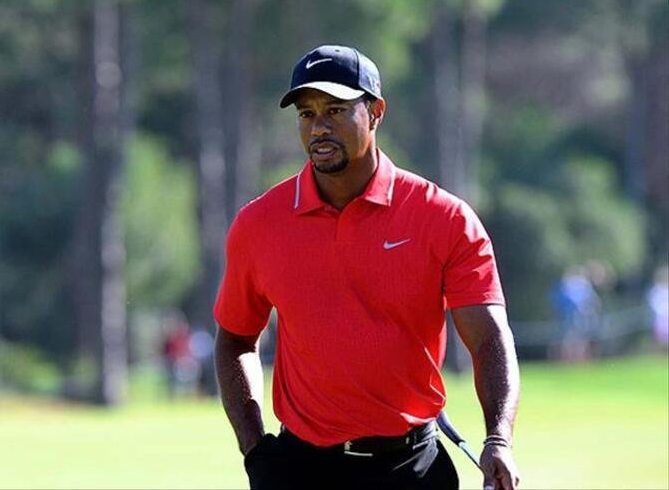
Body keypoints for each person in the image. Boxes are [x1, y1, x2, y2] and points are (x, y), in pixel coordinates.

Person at [214, 45, 520, 490]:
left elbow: (488, 338)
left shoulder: (444, 219)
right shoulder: (258, 224)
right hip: (300, 469)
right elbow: (235, 340)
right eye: (306, 114)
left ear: (376, 112)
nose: (319, 127)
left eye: (336, 110)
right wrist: (255, 449)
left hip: (412, 469)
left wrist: (499, 438)